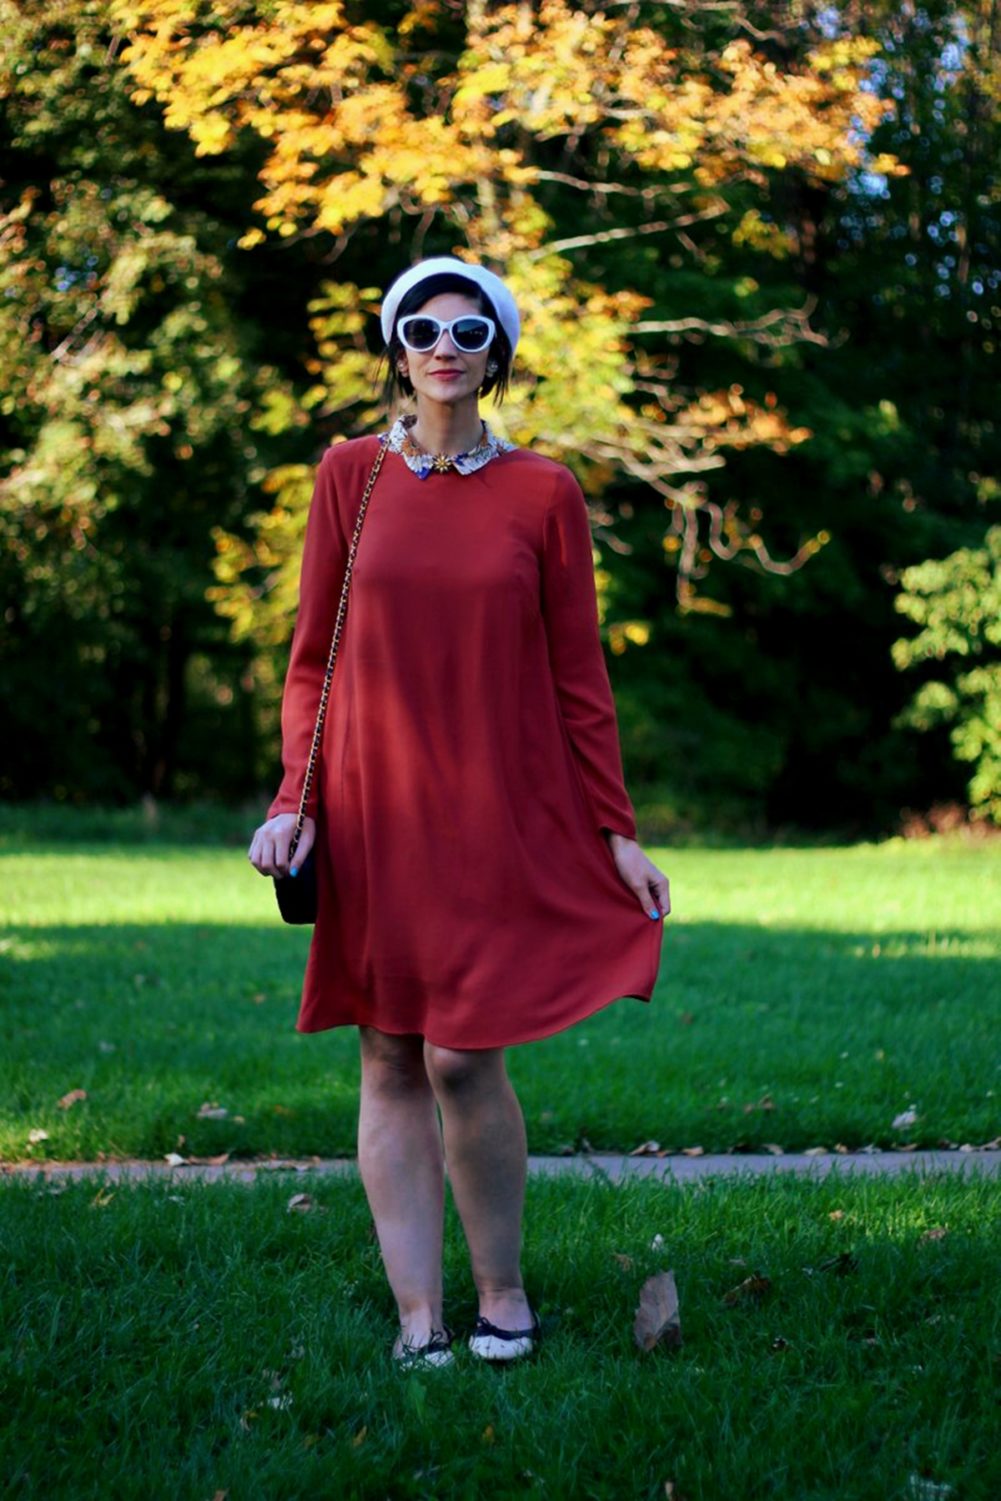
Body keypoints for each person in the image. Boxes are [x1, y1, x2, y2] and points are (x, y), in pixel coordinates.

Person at [248, 255, 670, 1369]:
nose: (444, 346)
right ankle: (418, 1317)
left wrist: (615, 831)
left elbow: (578, 674)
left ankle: (502, 1293)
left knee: (462, 1057)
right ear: (398, 352)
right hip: (372, 806)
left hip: (491, 808)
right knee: (387, 1051)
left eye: (468, 331)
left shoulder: (544, 492)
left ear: (495, 357)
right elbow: (311, 661)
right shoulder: (349, 475)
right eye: (422, 329)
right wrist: (295, 801)